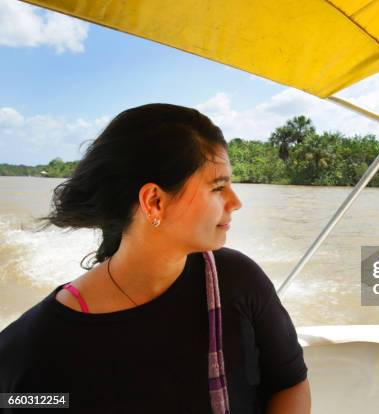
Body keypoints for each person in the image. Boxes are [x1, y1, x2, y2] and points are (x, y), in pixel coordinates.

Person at [0, 103, 310, 413]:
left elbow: (289, 381)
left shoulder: (237, 280)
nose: (236, 202)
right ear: (154, 201)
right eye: (218, 187)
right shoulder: (36, 348)